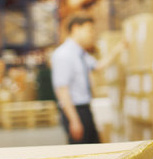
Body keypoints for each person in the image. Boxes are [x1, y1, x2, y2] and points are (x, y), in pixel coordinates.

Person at [51, 13, 122, 144]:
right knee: (82, 154)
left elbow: (98, 66)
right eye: (89, 30)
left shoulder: (80, 53)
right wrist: (74, 120)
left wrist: (118, 49)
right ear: (76, 28)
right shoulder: (63, 55)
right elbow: (62, 90)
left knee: (94, 148)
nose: (92, 34)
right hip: (75, 110)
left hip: (85, 109)